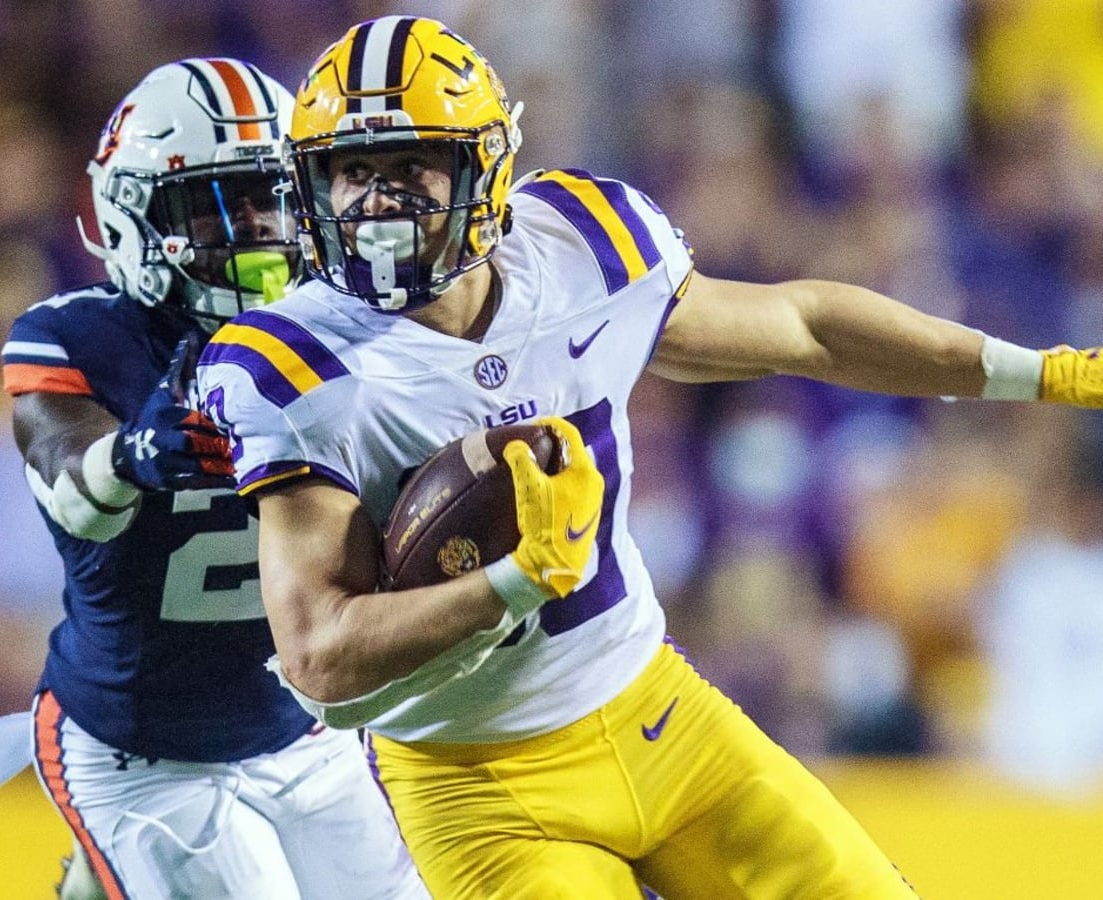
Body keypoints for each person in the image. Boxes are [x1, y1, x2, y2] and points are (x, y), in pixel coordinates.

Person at [194, 16, 1103, 899]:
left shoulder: (579, 247)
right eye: (351, 171)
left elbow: (805, 327)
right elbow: (319, 659)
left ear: (486, 169)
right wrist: (511, 583)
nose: (377, 203)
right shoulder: (296, 368)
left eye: (411, 165)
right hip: (476, 788)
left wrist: (1039, 373)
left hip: (659, 712)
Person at [0, 58, 428, 900]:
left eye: (270, 196)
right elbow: (68, 486)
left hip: (303, 732)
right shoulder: (74, 337)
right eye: (215, 203)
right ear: (131, 215)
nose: (257, 228)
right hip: (144, 751)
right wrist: (129, 458)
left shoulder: (345, 328)